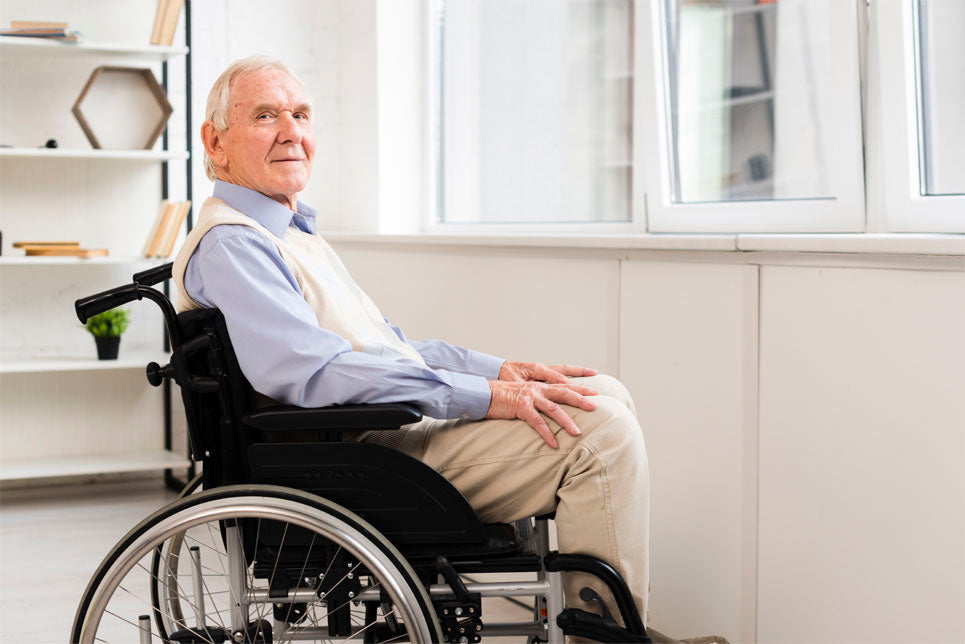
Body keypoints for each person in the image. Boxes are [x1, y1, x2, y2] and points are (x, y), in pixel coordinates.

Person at [172, 55, 650, 632]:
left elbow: (386, 346)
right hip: (355, 456)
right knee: (602, 435)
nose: (292, 132)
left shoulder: (288, 234)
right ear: (215, 142)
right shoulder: (235, 245)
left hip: (376, 435)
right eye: (266, 116)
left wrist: (502, 371)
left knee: (601, 391)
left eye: (301, 114)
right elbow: (311, 374)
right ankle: (609, 635)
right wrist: (483, 397)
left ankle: (609, 623)